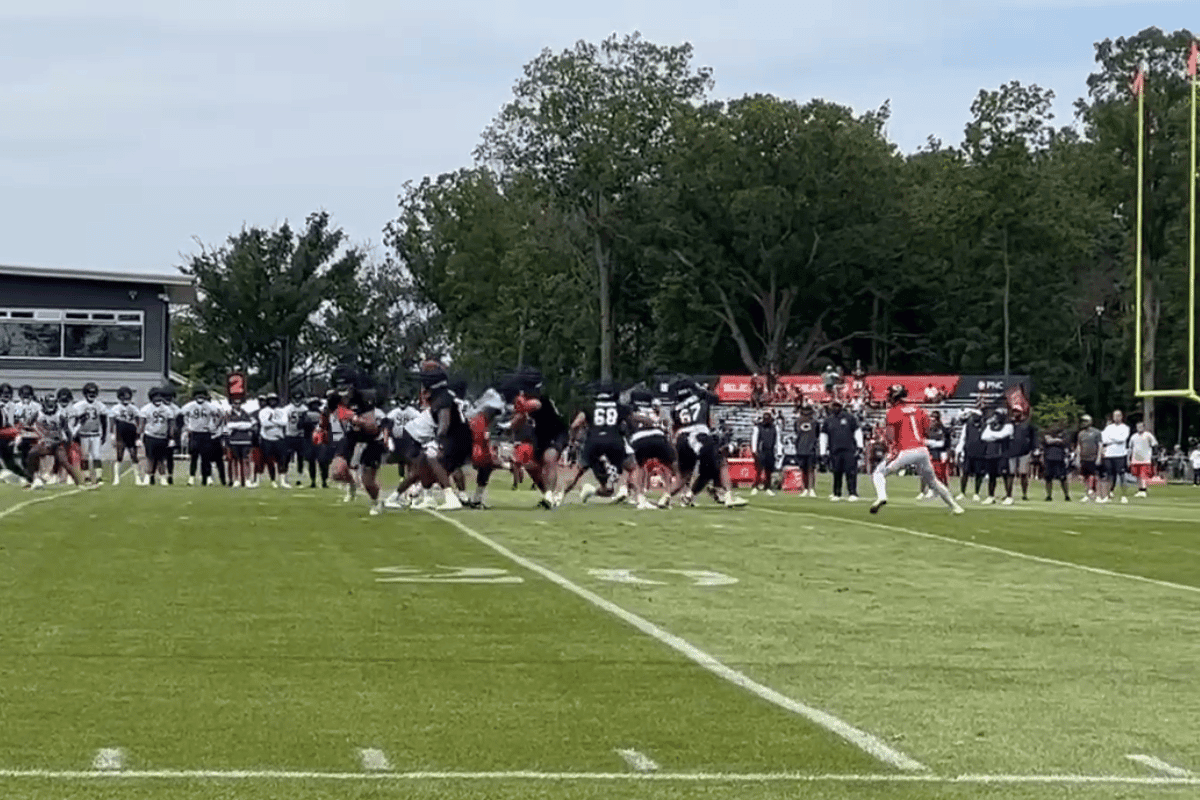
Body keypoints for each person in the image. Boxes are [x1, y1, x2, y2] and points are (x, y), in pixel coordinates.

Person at [869, 385, 964, 515]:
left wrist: (891, 448)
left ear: (894, 397)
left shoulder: (893, 412)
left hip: (905, 450)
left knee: (878, 473)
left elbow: (890, 435)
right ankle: (955, 507)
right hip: (922, 450)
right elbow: (926, 430)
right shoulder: (919, 409)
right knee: (933, 481)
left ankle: (881, 497)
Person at [561, 381, 638, 505]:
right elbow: (632, 423)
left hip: (593, 442)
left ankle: (558, 496)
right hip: (614, 441)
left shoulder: (589, 406)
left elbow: (575, 424)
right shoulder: (620, 407)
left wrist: (572, 441)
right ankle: (635, 496)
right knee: (633, 468)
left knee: (577, 472)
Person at [819, 397, 862, 501]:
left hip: (849, 449)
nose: (835, 408)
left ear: (841, 406)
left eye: (837, 406)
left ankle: (853, 493)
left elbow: (857, 431)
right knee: (836, 472)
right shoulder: (828, 420)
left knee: (851, 472)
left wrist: (860, 446)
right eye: (833, 406)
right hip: (834, 450)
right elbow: (824, 436)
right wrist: (823, 452)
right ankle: (836, 493)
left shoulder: (850, 418)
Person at [954, 404, 988, 501]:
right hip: (968, 453)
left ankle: (976, 493)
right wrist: (958, 451)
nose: (974, 417)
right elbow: (962, 439)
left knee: (979, 474)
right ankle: (962, 492)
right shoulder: (967, 426)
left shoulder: (985, 426)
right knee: (965, 473)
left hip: (980, 453)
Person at [980, 409, 1013, 505]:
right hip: (991, 453)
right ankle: (991, 496)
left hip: (1002, 453)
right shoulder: (990, 426)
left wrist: (991, 436)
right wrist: (994, 436)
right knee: (991, 476)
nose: (996, 417)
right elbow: (984, 437)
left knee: (1005, 475)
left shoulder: (1008, 426)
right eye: (995, 415)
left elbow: (1002, 435)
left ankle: (1009, 496)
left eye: (998, 415)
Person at [1099, 409, 1131, 504]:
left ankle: (1124, 496)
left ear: (1121, 417)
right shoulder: (1108, 428)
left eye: (1118, 415)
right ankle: (1107, 495)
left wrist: (1111, 437)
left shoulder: (1125, 428)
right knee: (1109, 475)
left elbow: (1122, 439)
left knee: (1122, 475)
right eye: (1115, 416)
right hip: (1109, 454)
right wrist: (1113, 438)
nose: (1116, 418)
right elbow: (1104, 439)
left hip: (1120, 454)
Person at [919, 410, 950, 500]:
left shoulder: (942, 429)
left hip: (939, 453)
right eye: (931, 419)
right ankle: (923, 491)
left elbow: (943, 443)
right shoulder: (927, 429)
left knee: (940, 473)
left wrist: (929, 442)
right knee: (924, 472)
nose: (932, 421)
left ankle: (942, 490)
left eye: (934, 419)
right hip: (928, 452)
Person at [1008, 408, 1037, 501]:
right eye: (1014, 411)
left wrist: (1033, 449)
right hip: (1011, 452)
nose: (1015, 413)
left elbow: (1033, 437)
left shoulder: (1027, 424)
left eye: (1017, 411)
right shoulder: (1010, 424)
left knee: (1023, 474)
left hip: (1024, 452)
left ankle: (1024, 494)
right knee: (1010, 474)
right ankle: (1009, 494)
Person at [793, 404, 819, 498]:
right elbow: (797, 433)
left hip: (811, 448)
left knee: (811, 469)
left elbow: (817, 434)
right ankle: (805, 488)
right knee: (803, 470)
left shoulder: (815, 422)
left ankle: (811, 489)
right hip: (801, 448)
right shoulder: (797, 422)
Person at [1075, 415, 1103, 501]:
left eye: (1086, 421)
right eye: (1083, 421)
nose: (1084, 423)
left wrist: (1099, 457)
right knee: (1085, 477)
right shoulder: (1081, 434)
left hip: (1093, 457)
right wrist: (1078, 457)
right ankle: (1087, 494)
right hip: (1084, 458)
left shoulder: (1096, 432)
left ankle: (1098, 495)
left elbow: (1100, 445)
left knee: (1095, 477)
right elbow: (1079, 446)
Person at [1127, 420, 1158, 498]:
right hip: (1135, 459)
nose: (1139, 428)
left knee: (1143, 475)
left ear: (1144, 427)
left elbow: (1154, 444)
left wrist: (1154, 455)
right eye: (1138, 427)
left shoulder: (1148, 435)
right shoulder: (1133, 436)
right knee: (1137, 476)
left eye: (1141, 426)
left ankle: (1143, 490)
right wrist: (1128, 459)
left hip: (1145, 459)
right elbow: (1130, 448)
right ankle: (1140, 489)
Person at [751, 411, 778, 496]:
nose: (766, 420)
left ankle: (768, 487)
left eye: (768, 419)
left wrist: (778, 451)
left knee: (768, 471)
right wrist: (754, 450)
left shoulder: (774, 428)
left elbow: (777, 440)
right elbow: (754, 439)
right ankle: (755, 487)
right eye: (765, 419)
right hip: (760, 451)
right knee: (759, 470)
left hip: (770, 451)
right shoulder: (758, 427)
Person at [1041, 426, 1071, 501]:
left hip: (1060, 458)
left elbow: (1064, 442)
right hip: (1048, 458)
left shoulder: (1063, 434)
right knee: (1048, 478)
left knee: (1063, 478)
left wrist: (1053, 440)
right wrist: (1057, 440)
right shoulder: (1046, 435)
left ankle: (1067, 495)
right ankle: (1049, 496)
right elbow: (1047, 441)